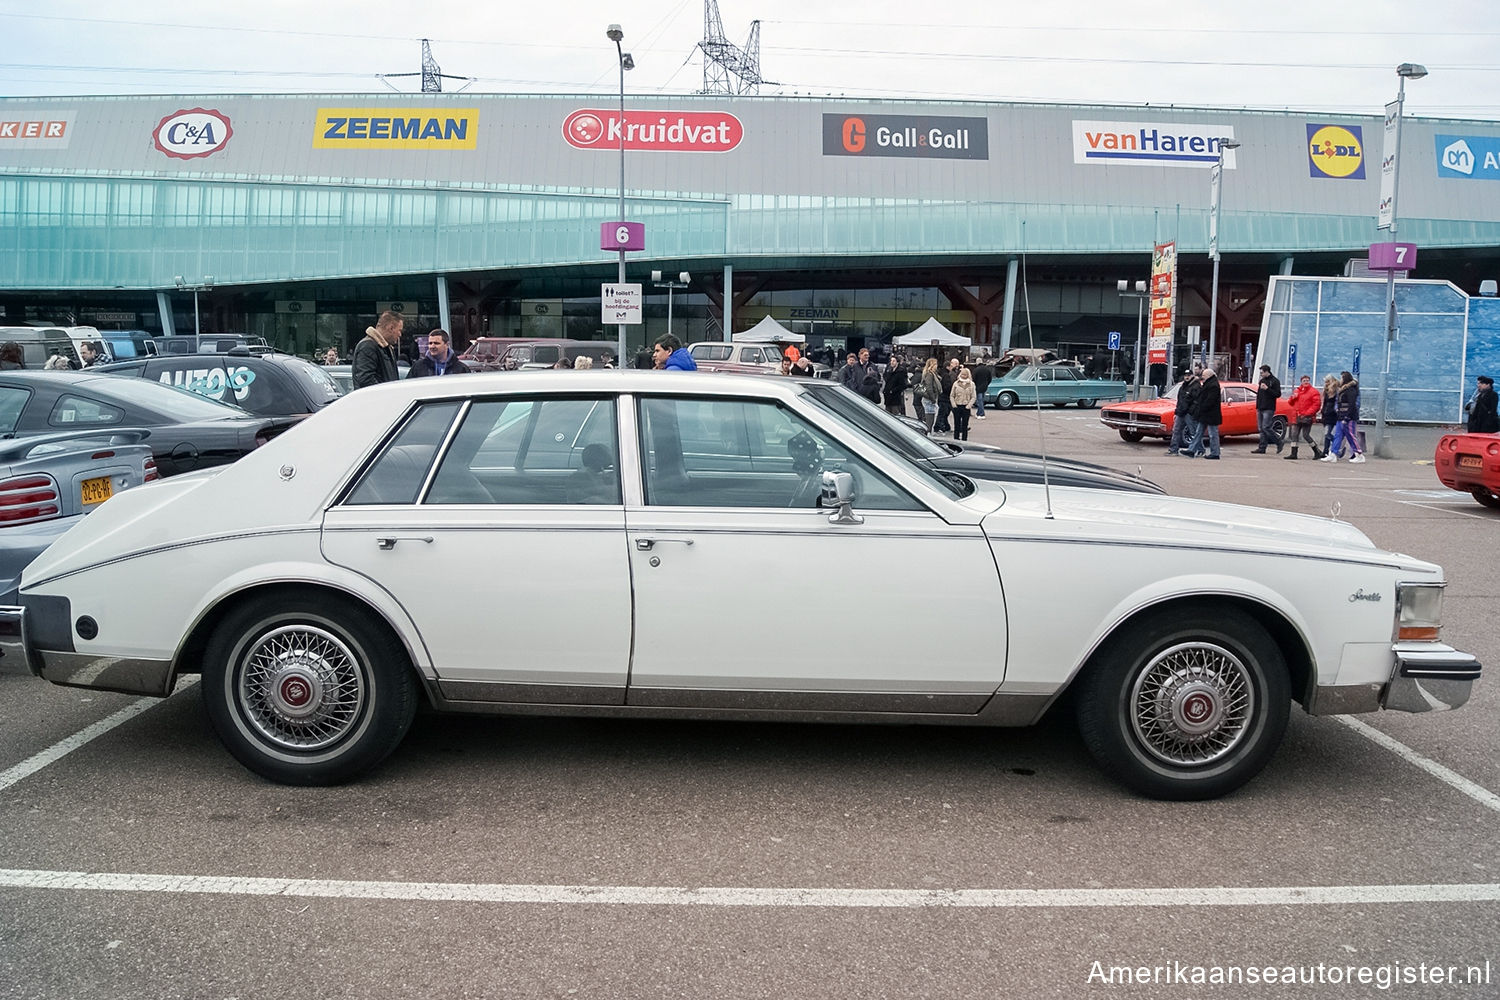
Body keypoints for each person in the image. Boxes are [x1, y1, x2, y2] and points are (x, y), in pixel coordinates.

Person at [1322, 371, 1365, 463]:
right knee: (1338, 435)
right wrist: (1338, 411)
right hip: (1341, 416)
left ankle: (1359, 454)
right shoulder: (1343, 390)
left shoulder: (1351, 390)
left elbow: (1352, 405)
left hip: (1348, 417)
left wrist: (1347, 417)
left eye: (1342, 378)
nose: (1340, 380)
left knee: (1350, 435)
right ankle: (1333, 454)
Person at [353, 311, 403, 389]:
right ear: (391, 328)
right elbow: (366, 380)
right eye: (399, 330)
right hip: (374, 400)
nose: (400, 334)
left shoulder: (386, 348)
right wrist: (386, 394)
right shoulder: (367, 347)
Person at [1184, 367, 1222, 459]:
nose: (1202, 377)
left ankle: (1215, 453)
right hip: (1205, 414)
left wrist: (1202, 408)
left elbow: (1210, 400)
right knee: (1198, 432)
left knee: (1213, 434)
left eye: (1204, 375)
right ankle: (1191, 450)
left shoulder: (1213, 386)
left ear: (1209, 376)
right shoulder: (1208, 384)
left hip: (1211, 414)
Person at [1284, 374, 1324, 460]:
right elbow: (1290, 403)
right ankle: (1293, 453)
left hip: (1306, 417)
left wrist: (1307, 413)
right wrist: (1292, 398)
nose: (1306, 382)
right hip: (1297, 416)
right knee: (1294, 435)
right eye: (1304, 381)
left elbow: (1316, 405)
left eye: (1307, 380)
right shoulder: (1297, 391)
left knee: (1306, 435)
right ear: (1301, 382)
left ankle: (1317, 452)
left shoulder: (1313, 392)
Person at [1166, 369, 1200, 455]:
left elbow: (1197, 400)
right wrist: (1177, 410)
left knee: (1193, 432)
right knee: (1176, 430)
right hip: (1181, 412)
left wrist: (1191, 411)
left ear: (1192, 376)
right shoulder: (1183, 386)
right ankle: (1173, 449)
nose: (1187, 377)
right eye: (1185, 375)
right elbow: (1180, 400)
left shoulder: (1196, 386)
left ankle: (1200, 449)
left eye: (1189, 375)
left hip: (1189, 413)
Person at [1251, 365, 1283, 454]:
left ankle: (1278, 441)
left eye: (1262, 372)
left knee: (1266, 427)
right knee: (1261, 428)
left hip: (1269, 407)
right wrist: (1257, 406)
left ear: (1266, 372)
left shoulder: (1275, 381)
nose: (1261, 374)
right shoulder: (1262, 381)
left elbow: (1277, 394)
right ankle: (1262, 447)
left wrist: (1267, 389)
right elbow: (1260, 395)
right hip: (1260, 406)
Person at [949, 366, 977, 440]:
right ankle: (956, 440)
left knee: (965, 425)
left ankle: (964, 440)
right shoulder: (956, 383)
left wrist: (969, 405)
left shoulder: (971, 384)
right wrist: (954, 405)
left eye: (965, 375)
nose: (963, 376)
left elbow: (974, 397)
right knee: (956, 425)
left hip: (966, 407)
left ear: (968, 375)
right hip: (957, 406)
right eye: (962, 374)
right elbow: (952, 395)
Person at [934, 357, 960, 433]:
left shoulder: (943, 374)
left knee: (945, 413)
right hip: (945, 397)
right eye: (951, 366)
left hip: (943, 397)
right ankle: (938, 426)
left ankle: (945, 426)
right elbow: (946, 387)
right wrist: (951, 390)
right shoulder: (946, 375)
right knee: (943, 413)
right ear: (948, 367)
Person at [918, 357, 942, 433]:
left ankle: (928, 433)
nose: (937, 366)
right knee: (929, 420)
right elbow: (929, 387)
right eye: (935, 364)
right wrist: (933, 399)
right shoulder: (929, 374)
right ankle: (927, 435)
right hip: (929, 399)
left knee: (931, 418)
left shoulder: (932, 374)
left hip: (930, 398)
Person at [1319, 374, 1340, 457]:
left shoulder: (1336, 391)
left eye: (1327, 381)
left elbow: (1336, 403)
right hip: (1326, 414)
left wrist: (1333, 411)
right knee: (1327, 433)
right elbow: (1325, 402)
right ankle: (1326, 451)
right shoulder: (1326, 391)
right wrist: (1322, 411)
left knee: (1328, 433)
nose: (1326, 383)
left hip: (1333, 415)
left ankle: (1336, 447)